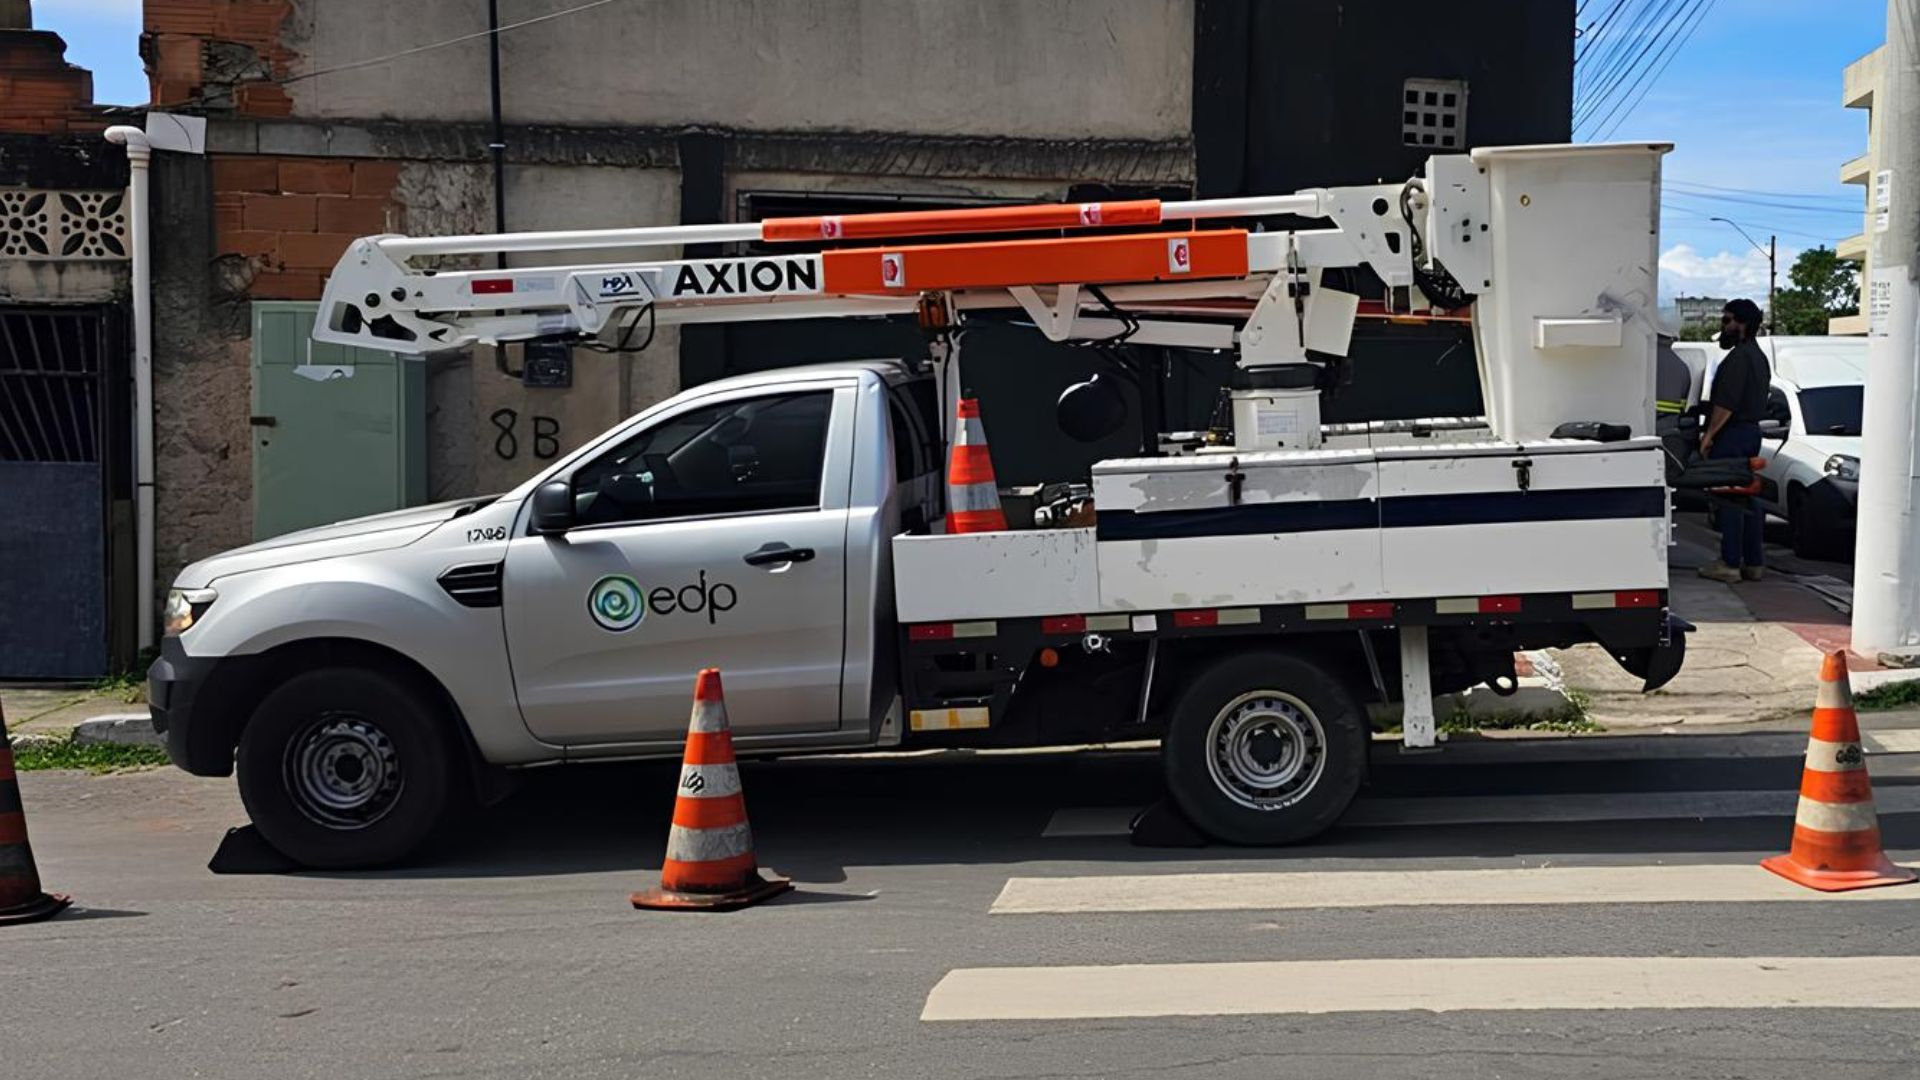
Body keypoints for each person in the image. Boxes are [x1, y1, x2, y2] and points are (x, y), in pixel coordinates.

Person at [1697, 298, 1770, 583]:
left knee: (1728, 496)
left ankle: (1729, 563)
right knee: (1747, 496)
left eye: (1727, 320)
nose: (1723, 326)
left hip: (1733, 433)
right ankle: (1753, 562)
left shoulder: (1739, 358)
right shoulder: (1759, 357)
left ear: (1743, 324)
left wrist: (1709, 435)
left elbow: (1726, 404)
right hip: (1750, 432)